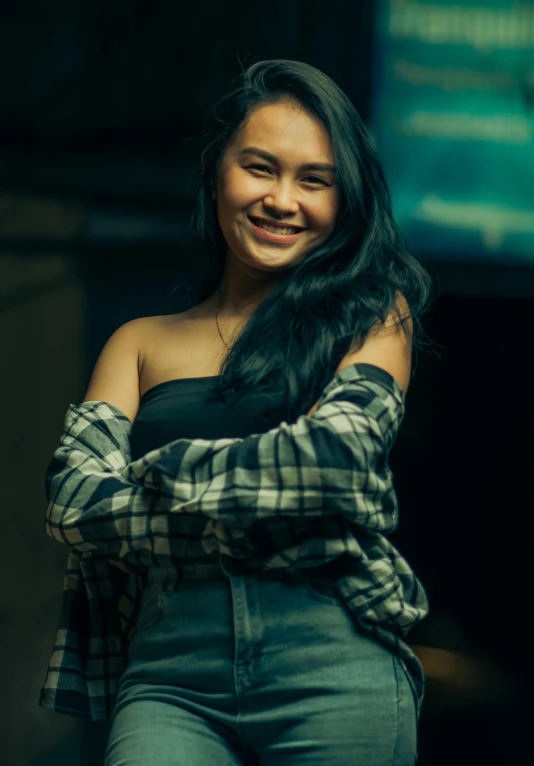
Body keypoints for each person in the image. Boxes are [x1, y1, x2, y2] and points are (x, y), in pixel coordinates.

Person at [43, 59, 436, 765]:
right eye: (260, 167)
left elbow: (331, 468)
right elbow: (73, 503)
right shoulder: (139, 342)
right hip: (170, 677)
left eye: (314, 180)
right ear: (218, 171)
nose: (282, 200)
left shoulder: (374, 316)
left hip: (334, 661)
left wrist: (153, 477)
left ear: (344, 200)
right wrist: (265, 503)